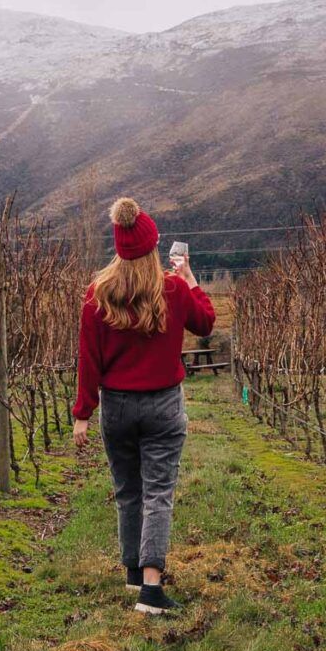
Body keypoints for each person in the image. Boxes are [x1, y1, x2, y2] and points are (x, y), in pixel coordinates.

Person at [72, 196, 216, 614]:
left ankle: (133, 573)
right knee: (158, 492)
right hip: (162, 406)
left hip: (116, 407)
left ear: (118, 248)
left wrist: (83, 414)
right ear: (153, 247)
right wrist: (190, 278)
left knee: (127, 490)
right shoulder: (173, 289)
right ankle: (151, 591)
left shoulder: (97, 294)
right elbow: (206, 323)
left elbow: (89, 360)